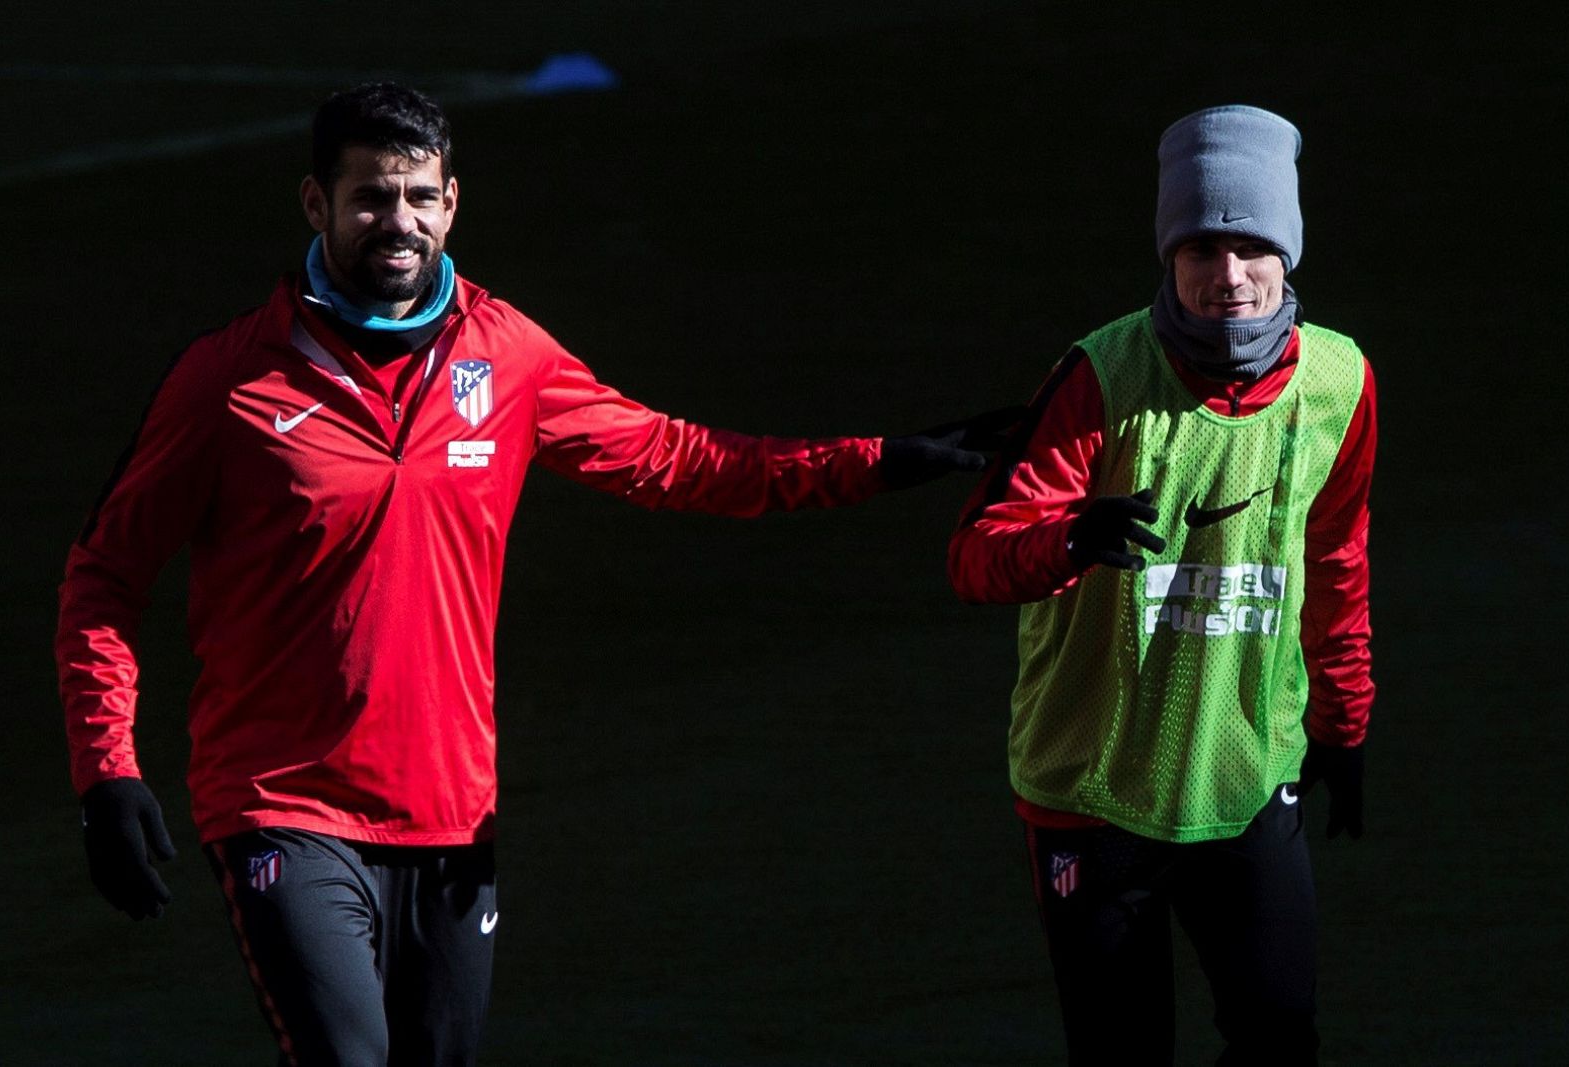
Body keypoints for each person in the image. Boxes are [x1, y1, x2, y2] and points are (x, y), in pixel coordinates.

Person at [56, 82, 1014, 1067]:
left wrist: (883, 458)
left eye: (420, 197)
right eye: (372, 197)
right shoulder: (228, 379)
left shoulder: (503, 355)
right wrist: (107, 774)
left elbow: (679, 460)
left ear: (453, 202)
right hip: (282, 808)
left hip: (449, 812)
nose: (399, 222)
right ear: (316, 204)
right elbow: (103, 576)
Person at [948, 104, 1374, 1065]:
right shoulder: (1100, 376)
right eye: (1201, 249)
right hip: (1093, 796)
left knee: (1279, 1040)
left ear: (1288, 252)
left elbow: (1337, 553)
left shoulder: (1340, 380)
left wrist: (1344, 720)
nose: (1228, 276)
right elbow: (975, 553)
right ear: (1169, 258)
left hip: (1246, 776)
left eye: (1252, 247)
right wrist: (1067, 539)